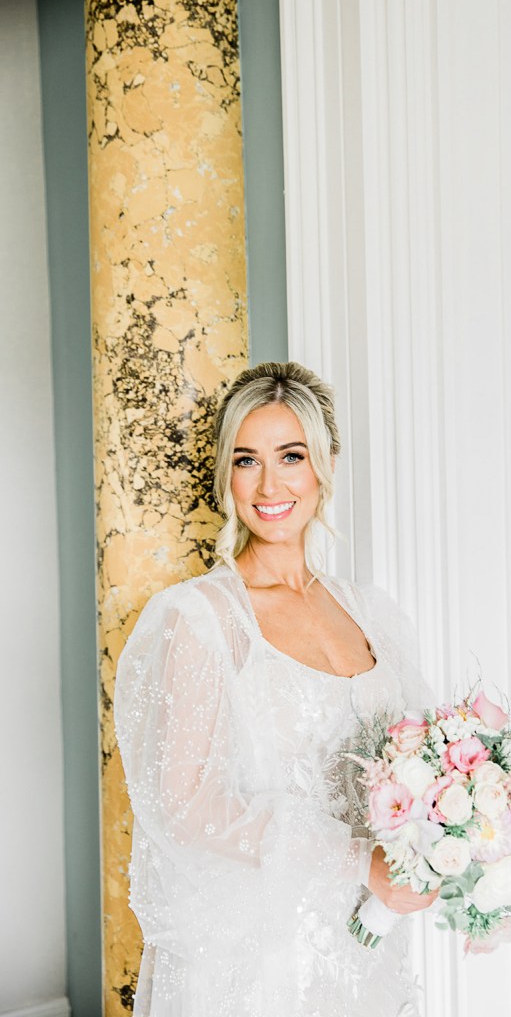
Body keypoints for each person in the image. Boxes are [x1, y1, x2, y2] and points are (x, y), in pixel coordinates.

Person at [115, 361, 437, 1017]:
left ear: (325, 464)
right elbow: (186, 803)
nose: (269, 484)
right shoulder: (201, 617)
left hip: (367, 944)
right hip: (263, 959)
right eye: (246, 460)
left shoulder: (369, 611)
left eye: (290, 456)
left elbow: (423, 765)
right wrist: (357, 859)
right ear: (225, 475)